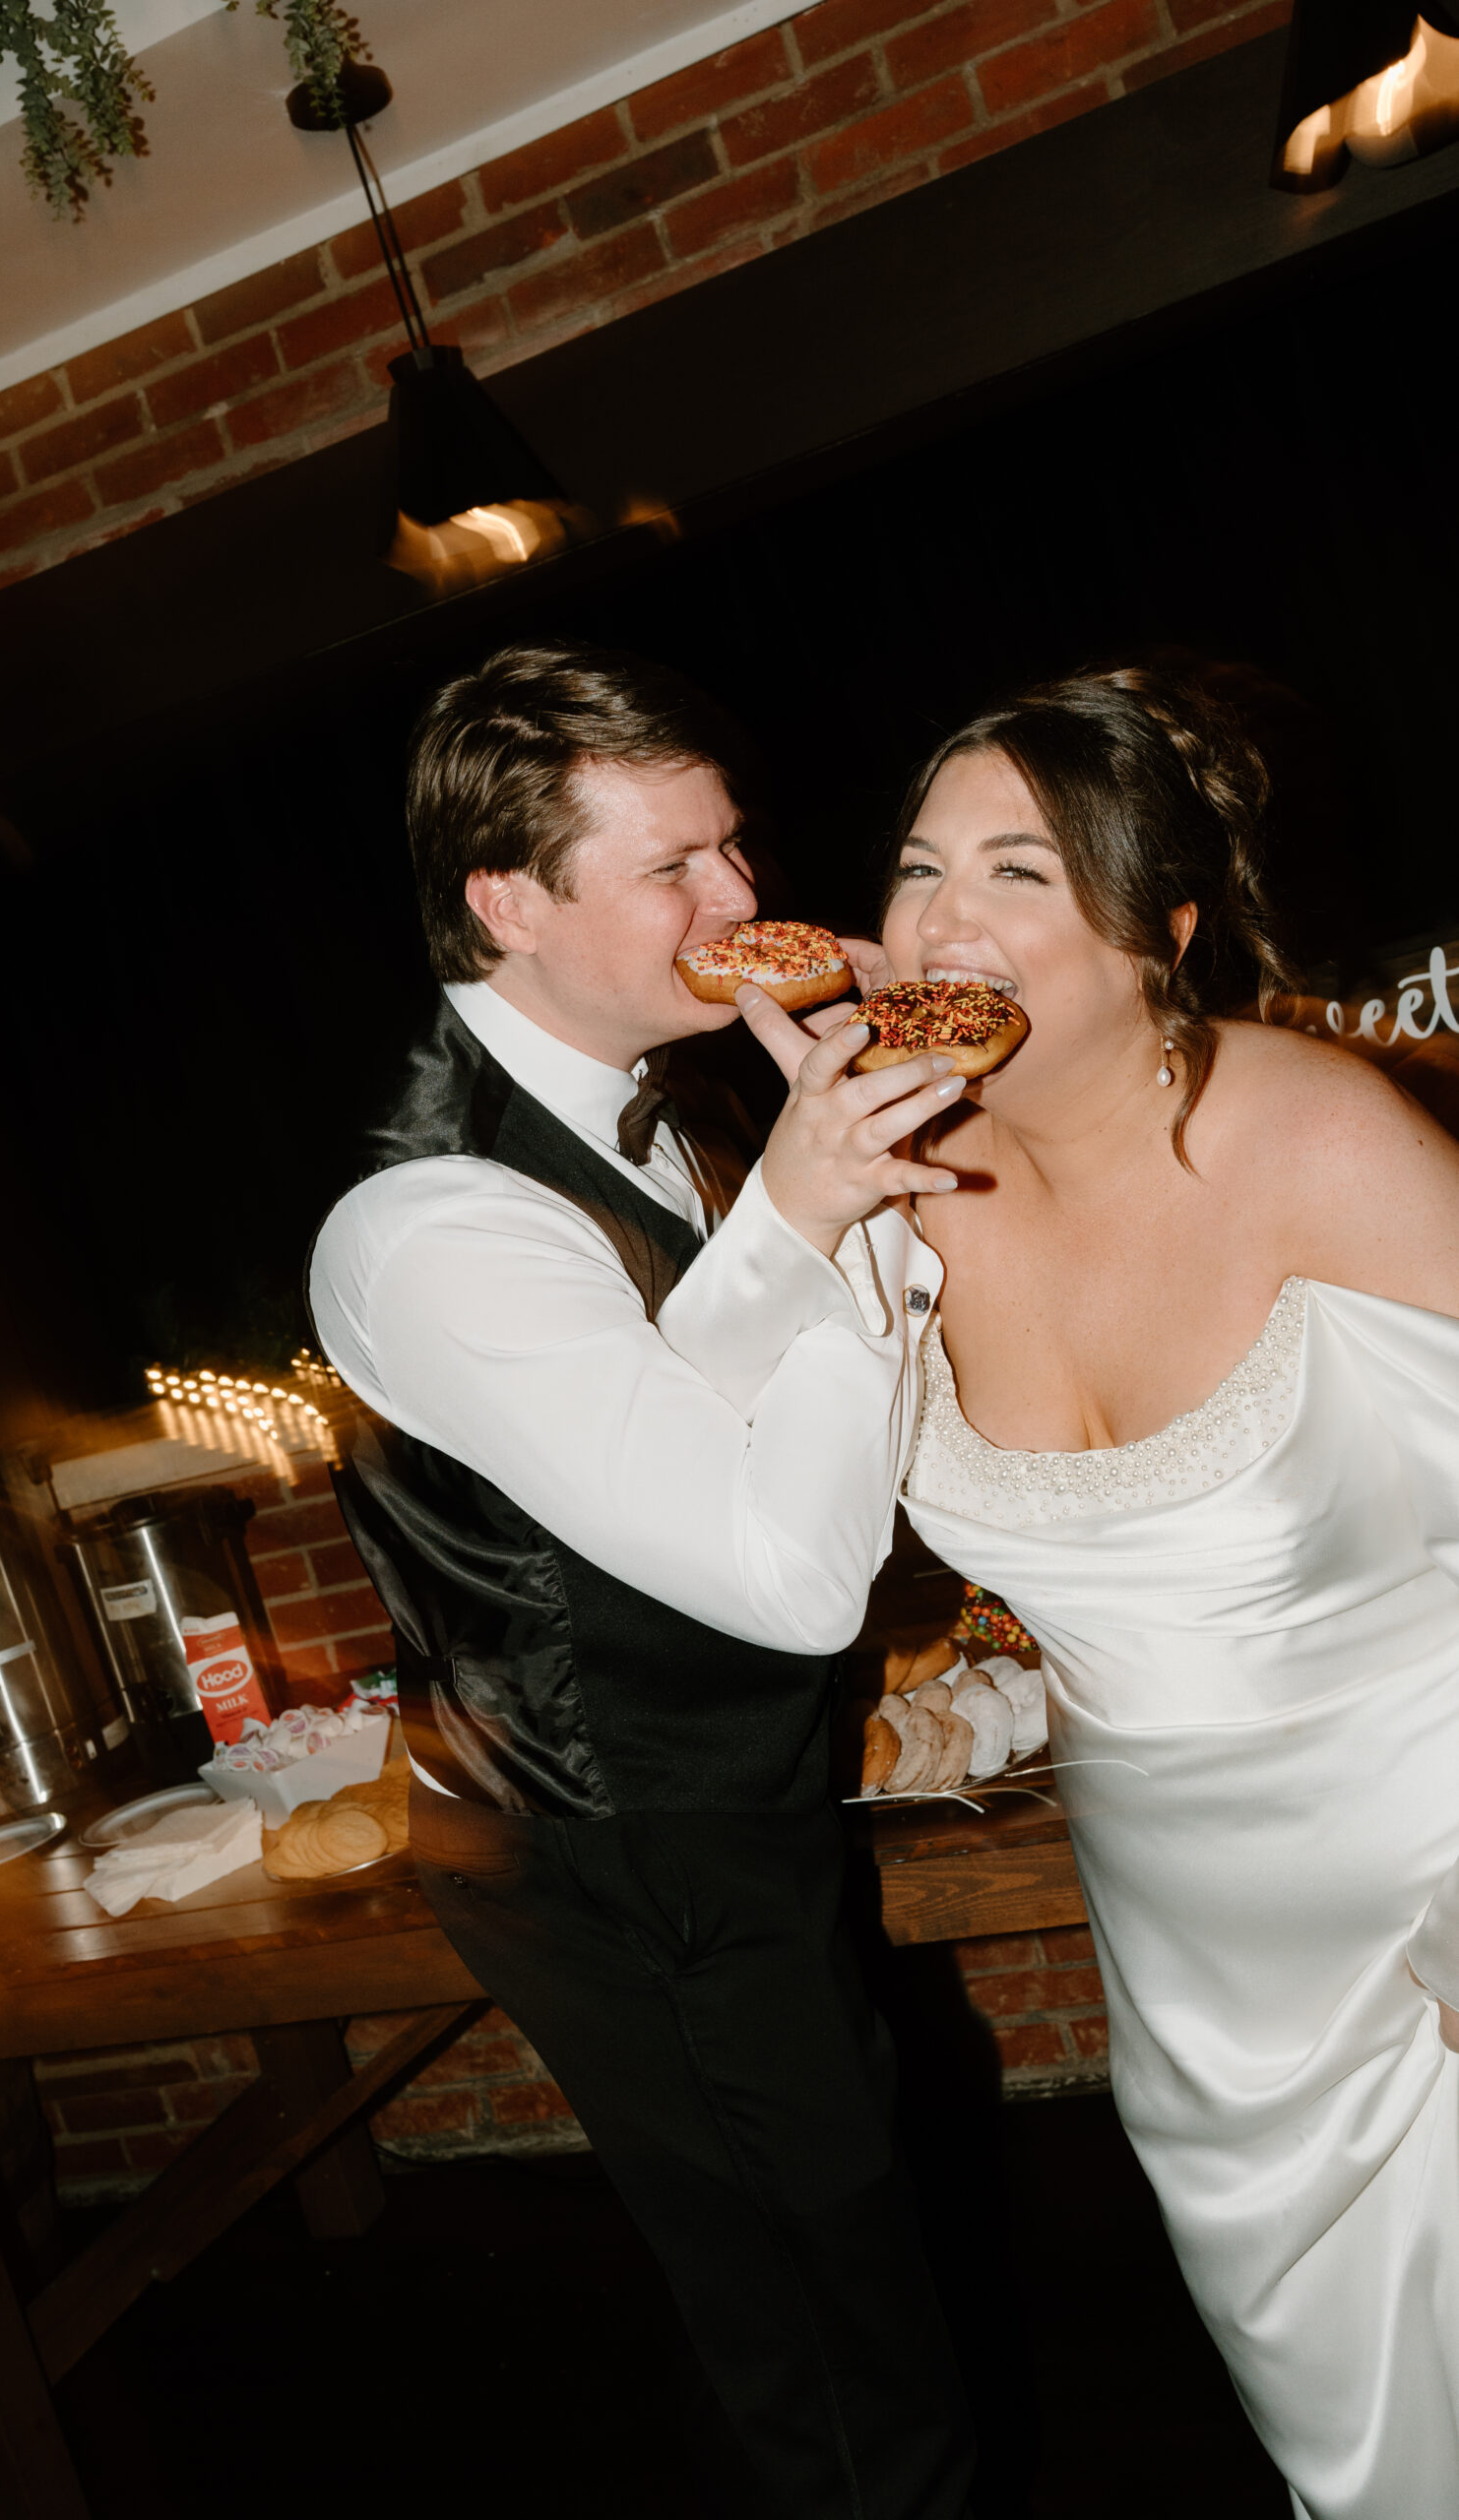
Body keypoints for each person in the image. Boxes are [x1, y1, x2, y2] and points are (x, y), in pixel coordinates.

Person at [742, 665, 1459, 2520]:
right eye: (913, 870)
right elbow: (743, 1533)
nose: (937, 917)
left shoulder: (1310, 1137)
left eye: (1016, 873)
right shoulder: (894, 1195)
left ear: (1159, 936)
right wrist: (791, 1222)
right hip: (1204, 1993)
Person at [306, 641, 977, 2520]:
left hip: (722, 1806)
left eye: (735, 849)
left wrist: (806, 1201)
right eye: (673, 869)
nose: (744, 904)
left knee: (827, 2286)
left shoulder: (667, 1097)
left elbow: (686, 1387)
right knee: (842, 2353)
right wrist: (847, 1221)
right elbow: (787, 1578)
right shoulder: (430, 1219)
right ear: (504, 902)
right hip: (622, 1844)